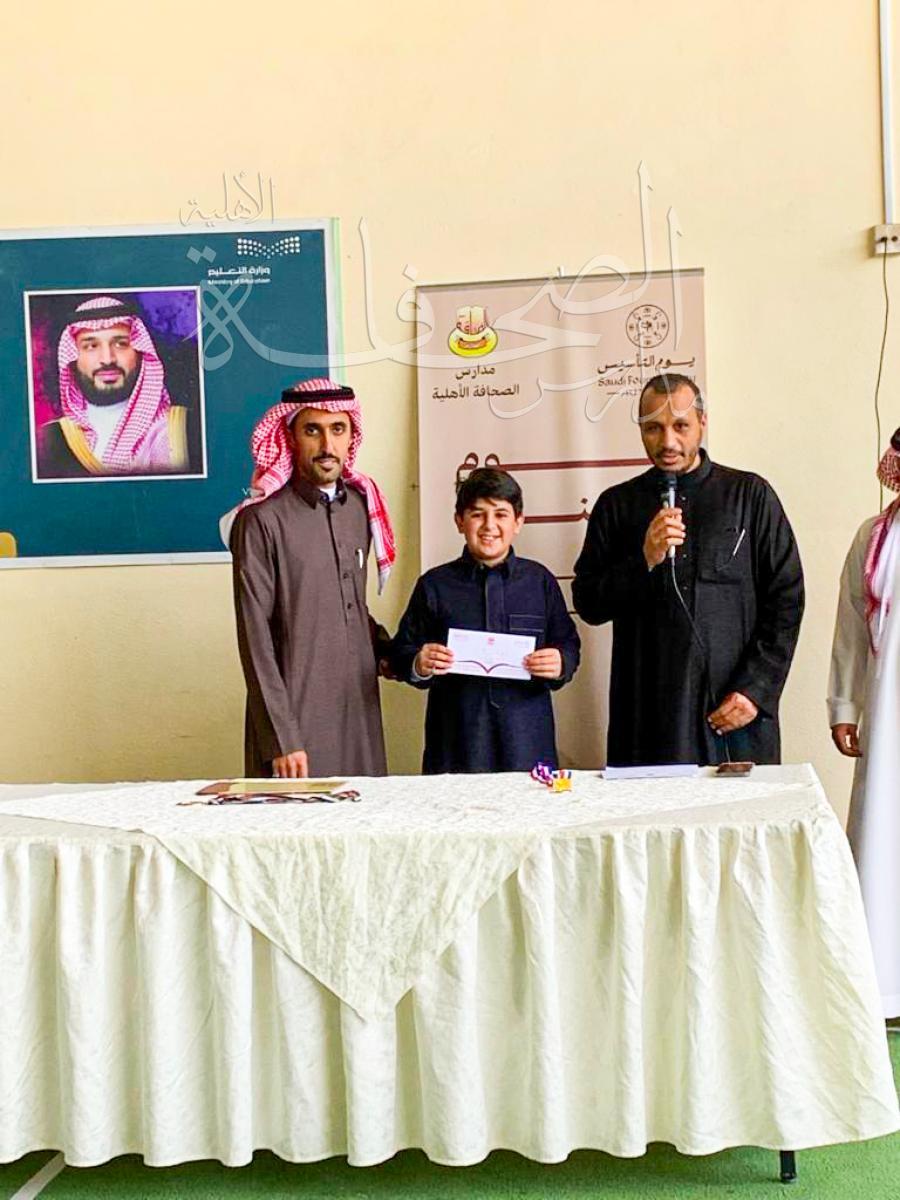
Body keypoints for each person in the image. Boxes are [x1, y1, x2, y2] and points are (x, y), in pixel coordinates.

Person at [572, 373, 804, 766]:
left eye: (680, 426)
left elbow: (786, 598)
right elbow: (589, 603)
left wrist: (756, 689)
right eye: (653, 428)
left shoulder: (750, 496)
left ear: (702, 423)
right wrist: (644, 560)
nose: (668, 442)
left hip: (732, 713)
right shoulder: (617, 505)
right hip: (647, 718)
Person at [224, 377, 395, 779]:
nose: (327, 445)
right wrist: (281, 738)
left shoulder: (359, 508)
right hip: (295, 720)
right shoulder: (261, 520)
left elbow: (349, 605)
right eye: (312, 430)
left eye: (338, 429)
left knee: (366, 812)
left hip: (358, 710)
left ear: (351, 436)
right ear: (290, 437)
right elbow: (255, 639)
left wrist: (393, 654)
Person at [391, 467, 580, 773]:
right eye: (477, 514)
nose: (489, 526)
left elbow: (569, 644)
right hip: (455, 745)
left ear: (518, 522)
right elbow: (401, 651)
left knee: (532, 805)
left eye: (501, 514)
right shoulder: (434, 585)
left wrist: (561, 662)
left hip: (527, 742)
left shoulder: (540, 581)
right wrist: (418, 662)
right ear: (459, 521)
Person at [828, 427, 900, 1019]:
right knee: (882, 836)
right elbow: (852, 627)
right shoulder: (873, 537)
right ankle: (883, 988)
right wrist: (844, 706)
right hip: (886, 715)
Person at [36, 295, 200, 477]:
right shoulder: (47, 440)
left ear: (140, 352)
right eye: (91, 346)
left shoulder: (190, 427)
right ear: (73, 358)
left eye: (121, 344)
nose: (107, 359)